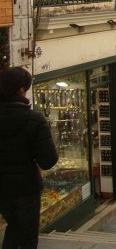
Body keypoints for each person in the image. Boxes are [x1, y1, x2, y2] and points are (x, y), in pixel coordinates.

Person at [0, 67, 58, 249]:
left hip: (2, 185)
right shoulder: (34, 119)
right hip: (26, 186)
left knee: (14, 226)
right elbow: (48, 160)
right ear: (21, 90)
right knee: (28, 236)